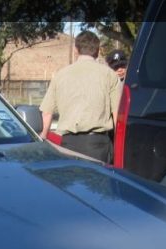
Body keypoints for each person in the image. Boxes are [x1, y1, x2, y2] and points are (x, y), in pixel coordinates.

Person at [40, 31, 121, 162]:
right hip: (98, 146)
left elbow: (47, 112)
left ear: (76, 50)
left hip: (67, 145)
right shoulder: (110, 75)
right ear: (98, 50)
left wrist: (43, 134)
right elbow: (117, 113)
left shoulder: (60, 75)